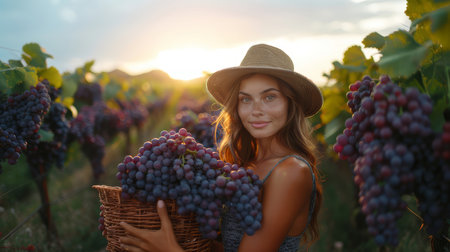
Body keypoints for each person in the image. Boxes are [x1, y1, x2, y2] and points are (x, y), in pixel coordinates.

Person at [119, 43, 323, 252]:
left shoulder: (290, 172)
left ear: (291, 104)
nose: (256, 110)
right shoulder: (244, 164)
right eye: (245, 99)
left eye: (269, 97)